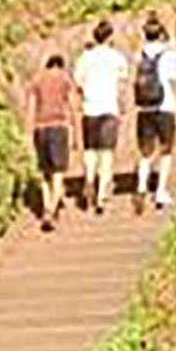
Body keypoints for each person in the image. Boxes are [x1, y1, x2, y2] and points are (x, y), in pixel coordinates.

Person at [130, 13, 176, 214]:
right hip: (165, 106)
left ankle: (140, 186)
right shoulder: (169, 53)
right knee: (166, 150)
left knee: (146, 151)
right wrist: (173, 44)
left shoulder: (139, 55)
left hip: (144, 108)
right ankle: (160, 191)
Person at [72, 18, 129, 216]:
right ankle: (102, 193)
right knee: (107, 152)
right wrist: (122, 104)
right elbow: (122, 83)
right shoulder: (117, 58)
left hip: (90, 109)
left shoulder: (85, 58)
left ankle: (89, 178)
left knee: (90, 150)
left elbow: (78, 83)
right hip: (109, 108)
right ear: (110, 37)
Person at [27, 51, 79, 232]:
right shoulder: (65, 80)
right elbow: (73, 107)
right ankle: (51, 209)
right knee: (58, 172)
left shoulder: (37, 79)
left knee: (44, 172)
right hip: (59, 127)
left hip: (40, 128)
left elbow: (31, 108)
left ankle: (46, 205)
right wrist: (77, 134)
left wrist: (29, 132)